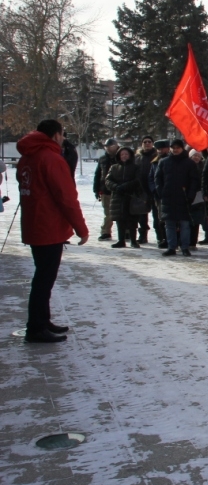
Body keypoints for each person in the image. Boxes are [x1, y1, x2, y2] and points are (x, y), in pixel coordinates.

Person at [15, 119, 89, 343]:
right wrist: (81, 228)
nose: (64, 138)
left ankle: (42, 320)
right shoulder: (51, 158)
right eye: (63, 134)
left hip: (35, 224)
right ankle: (36, 327)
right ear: (56, 135)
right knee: (44, 279)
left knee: (43, 277)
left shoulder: (28, 156)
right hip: (49, 227)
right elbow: (66, 197)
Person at [155, 139, 200, 256]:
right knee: (169, 224)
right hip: (168, 197)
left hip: (184, 197)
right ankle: (171, 247)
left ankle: (185, 247)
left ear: (182, 148)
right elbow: (158, 178)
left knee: (185, 224)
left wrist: (190, 195)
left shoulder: (189, 163)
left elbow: (194, 181)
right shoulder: (163, 162)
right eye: (173, 148)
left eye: (178, 148)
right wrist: (161, 191)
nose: (175, 150)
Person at [104, 146, 145, 248]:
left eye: (126, 154)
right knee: (119, 220)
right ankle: (121, 240)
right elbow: (108, 180)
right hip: (118, 197)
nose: (124, 156)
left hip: (131, 197)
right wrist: (116, 187)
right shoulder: (114, 167)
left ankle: (133, 240)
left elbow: (138, 180)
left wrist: (125, 186)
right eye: (122, 154)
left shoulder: (136, 167)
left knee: (132, 220)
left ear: (130, 155)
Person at [93, 137, 119, 241]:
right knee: (108, 213)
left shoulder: (122, 157)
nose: (108, 148)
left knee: (121, 212)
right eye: (106, 146)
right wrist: (96, 189)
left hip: (119, 189)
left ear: (116, 146)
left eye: (110, 146)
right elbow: (97, 174)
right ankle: (106, 232)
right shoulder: (103, 159)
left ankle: (126, 231)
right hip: (105, 190)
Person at [147, 139, 172, 248]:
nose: (160, 151)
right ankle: (164, 239)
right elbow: (151, 178)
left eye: (162, 148)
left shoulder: (172, 160)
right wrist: (154, 190)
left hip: (172, 194)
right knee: (160, 218)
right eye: (158, 149)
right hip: (159, 195)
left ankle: (174, 240)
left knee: (173, 219)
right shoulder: (155, 162)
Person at [135, 136, 157, 243]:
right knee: (142, 216)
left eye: (149, 142)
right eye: (145, 142)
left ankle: (160, 237)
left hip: (154, 189)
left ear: (152, 143)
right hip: (141, 190)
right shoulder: (137, 157)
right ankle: (143, 236)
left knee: (157, 216)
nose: (147, 144)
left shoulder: (157, 156)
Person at [188, 149, 208, 248]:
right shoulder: (187, 166)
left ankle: (194, 241)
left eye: (198, 156)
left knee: (198, 219)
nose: (196, 157)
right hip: (188, 194)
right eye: (194, 155)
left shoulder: (203, 166)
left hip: (199, 195)